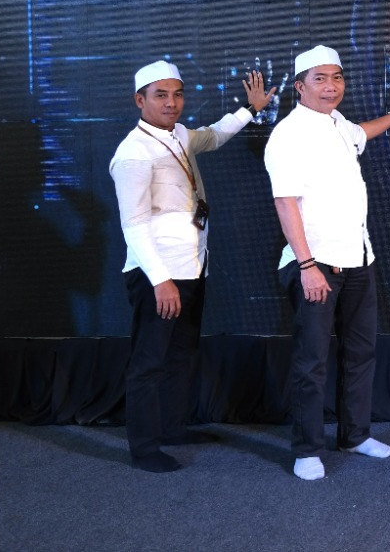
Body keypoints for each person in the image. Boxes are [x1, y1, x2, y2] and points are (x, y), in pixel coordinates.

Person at [264, 44, 390, 481]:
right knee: (312, 361)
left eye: (337, 78)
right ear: (300, 87)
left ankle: (354, 435)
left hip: (359, 259)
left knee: (360, 353)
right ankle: (306, 450)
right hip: (316, 266)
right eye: (320, 79)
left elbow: (362, 133)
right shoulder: (288, 135)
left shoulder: (338, 123)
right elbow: (285, 203)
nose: (331, 86)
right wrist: (307, 266)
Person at [110, 60, 274, 472]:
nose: (171, 103)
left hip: (192, 268)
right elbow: (133, 225)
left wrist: (250, 110)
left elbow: (214, 135)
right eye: (160, 95)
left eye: (177, 94)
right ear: (140, 100)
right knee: (149, 362)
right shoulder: (133, 153)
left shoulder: (180, 135)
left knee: (181, 354)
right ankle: (144, 448)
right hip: (159, 275)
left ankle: (171, 427)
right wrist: (160, 280)